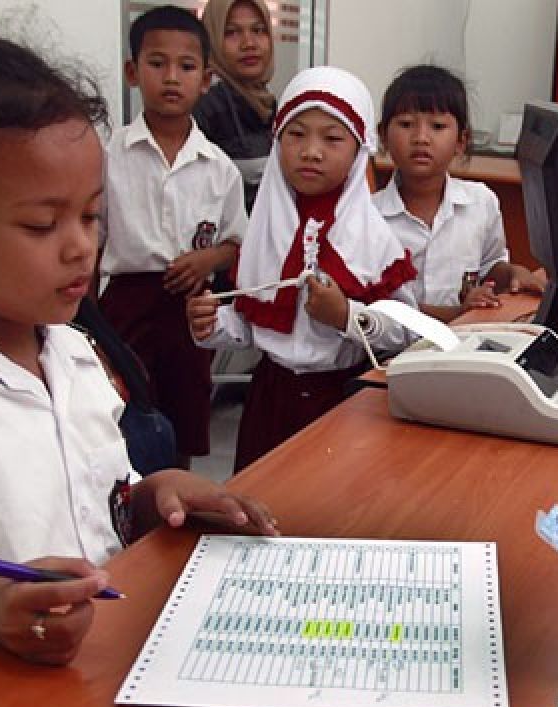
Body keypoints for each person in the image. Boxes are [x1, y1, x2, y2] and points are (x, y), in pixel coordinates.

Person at [0, 38, 276, 665]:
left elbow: (103, 502)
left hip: (103, 673)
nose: (80, 248)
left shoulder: (75, 355)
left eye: (92, 216)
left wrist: (155, 495)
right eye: (42, 225)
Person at [187, 66, 419, 471]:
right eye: (296, 135)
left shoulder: (372, 236)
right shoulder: (266, 228)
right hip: (269, 397)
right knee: (263, 505)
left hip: (343, 398)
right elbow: (249, 326)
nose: (311, 151)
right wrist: (211, 324)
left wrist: (347, 316)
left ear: (358, 149)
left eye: (332, 138)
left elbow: (406, 329)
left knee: (327, 510)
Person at [98, 6, 248, 468]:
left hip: (190, 305)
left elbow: (235, 240)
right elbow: (91, 238)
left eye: (186, 67)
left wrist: (207, 263)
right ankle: (128, 503)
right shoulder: (109, 156)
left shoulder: (219, 167)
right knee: (123, 408)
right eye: (156, 63)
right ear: (132, 71)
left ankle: (178, 499)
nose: (171, 77)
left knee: (185, 408)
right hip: (126, 301)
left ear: (205, 80)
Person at [372, 65, 546, 323]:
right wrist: (455, 314)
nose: (421, 138)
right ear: (383, 137)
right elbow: (380, 305)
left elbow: (490, 268)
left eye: (438, 126)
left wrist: (511, 273)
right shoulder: (370, 217)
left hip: (463, 346)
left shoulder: (481, 203)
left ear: (461, 141)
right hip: (391, 354)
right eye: (406, 124)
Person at [194, 0, 275, 212]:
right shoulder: (205, 105)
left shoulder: (267, 103)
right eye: (231, 33)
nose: (249, 43)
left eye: (258, 30)